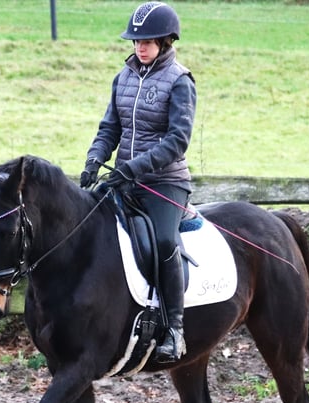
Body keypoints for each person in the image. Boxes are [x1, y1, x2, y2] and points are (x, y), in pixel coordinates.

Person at [80, 2, 196, 364]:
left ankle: (174, 329)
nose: (139, 47)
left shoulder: (180, 81)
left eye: (146, 41)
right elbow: (109, 128)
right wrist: (94, 159)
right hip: (123, 178)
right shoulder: (124, 77)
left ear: (165, 40)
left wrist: (134, 168)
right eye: (135, 41)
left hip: (165, 182)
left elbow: (177, 140)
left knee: (163, 240)